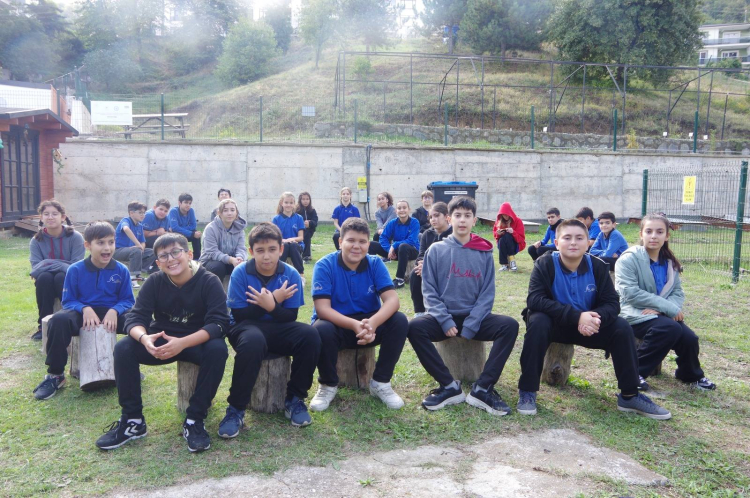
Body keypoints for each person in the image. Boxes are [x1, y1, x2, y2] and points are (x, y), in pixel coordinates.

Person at [516, 219, 671, 420]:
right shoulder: (544, 263)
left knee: (621, 327)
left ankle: (630, 395)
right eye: (567, 238)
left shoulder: (597, 266)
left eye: (579, 238)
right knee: (537, 321)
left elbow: (612, 304)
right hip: (554, 326)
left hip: (588, 328)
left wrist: (594, 319)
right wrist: (577, 316)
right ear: (556, 243)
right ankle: (527, 391)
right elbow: (535, 300)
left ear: (588, 242)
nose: (573, 242)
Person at [96, 233, 229, 452]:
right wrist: (144, 338)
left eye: (176, 252)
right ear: (158, 263)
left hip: (195, 341)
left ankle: (194, 419)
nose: (171, 259)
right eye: (164, 256)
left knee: (217, 349)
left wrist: (183, 343)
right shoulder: (155, 281)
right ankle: (133, 420)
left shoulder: (209, 280)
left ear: (189, 254)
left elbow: (219, 324)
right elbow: (135, 318)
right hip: (162, 340)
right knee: (124, 347)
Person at [408, 196, 519, 416]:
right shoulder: (435, 250)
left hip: (474, 319)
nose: (462, 220)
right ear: (449, 219)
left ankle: (483, 388)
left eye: (467, 216)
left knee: (509, 326)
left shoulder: (484, 251)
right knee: (414, 327)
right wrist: (444, 320)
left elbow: (487, 293)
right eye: (457, 215)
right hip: (444, 319)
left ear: (474, 220)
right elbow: (429, 291)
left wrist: (472, 323)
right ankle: (449, 386)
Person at [218, 223, 321, 437]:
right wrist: (273, 300)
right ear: (251, 251)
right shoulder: (240, 272)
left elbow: (291, 316)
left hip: (279, 326)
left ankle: (295, 399)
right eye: (260, 250)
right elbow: (240, 315)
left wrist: (271, 306)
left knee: (310, 334)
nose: (266, 256)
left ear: (281, 249)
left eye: (272, 249)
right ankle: (236, 409)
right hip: (245, 327)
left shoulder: (290, 274)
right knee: (254, 341)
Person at [309, 217, 408, 412]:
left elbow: (392, 301)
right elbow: (322, 309)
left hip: (368, 325)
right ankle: (328, 384)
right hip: (338, 325)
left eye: (362, 241)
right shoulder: (324, 265)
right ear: (340, 242)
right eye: (351, 240)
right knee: (320, 328)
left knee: (399, 320)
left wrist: (372, 323)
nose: (357, 246)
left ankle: (381, 382)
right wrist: (354, 325)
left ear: (368, 245)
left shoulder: (375, 263)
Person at [33, 221, 134, 400]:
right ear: (88, 245)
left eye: (111, 242)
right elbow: (68, 300)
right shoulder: (75, 269)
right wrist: (84, 308)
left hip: (112, 314)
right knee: (58, 321)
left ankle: (129, 368)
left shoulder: (121, 270)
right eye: (100, 243)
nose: (107, 248)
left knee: (137, 322)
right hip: (82, 314)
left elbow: (127, 300)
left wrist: (115, 310)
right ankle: (55, 375)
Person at [615, 213, 716, 392]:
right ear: (641, 234)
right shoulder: (628, 259)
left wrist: (664, 310)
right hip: (633, 312)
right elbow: (630, 293)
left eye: (659, 232)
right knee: (670, 328)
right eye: (649, 231)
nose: (654, 236)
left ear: (667, 236)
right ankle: (632, 373)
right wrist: (667, 308)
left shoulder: (669, 263)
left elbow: (677, 292)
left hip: (659, 314)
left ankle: (690, 375)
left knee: (689, 338)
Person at [29, 199, 85, 340]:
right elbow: (36, 268)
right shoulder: (36, 240)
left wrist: (47, 262)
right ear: (41, 217)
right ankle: (43, 326)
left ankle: (71, 321)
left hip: (69, 279)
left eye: (55, 214)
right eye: (46, 214)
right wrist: (62, 264)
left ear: (63, 217)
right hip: (45, 281)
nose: (50, 217)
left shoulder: (75, 237)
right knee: (44, 278)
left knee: (61, 276)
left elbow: (76, 267)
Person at [410, 202, 452, 318]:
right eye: (431, 217)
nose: (433, 219)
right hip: (427, 268)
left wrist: (428, 266)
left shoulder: (454, 234)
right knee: (415, 273)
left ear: (446, 216)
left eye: (437, 215)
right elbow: (421, 255)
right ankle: (419, 311)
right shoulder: (427, 234)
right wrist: (421, 264)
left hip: (447, 270)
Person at [200, 198, 247, 282]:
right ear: (219, 213)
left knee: (247, 266)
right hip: (211, 261)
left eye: (232, 210)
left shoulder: (239, 229)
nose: (229, 213)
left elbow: (241, 248)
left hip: (232, 260)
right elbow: (212, 252)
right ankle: (216, 289)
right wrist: (230, 259)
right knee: (218, 267)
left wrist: (239, 258)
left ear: (236, 213)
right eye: (225, 210)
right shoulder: (210, 228)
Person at [378, 200, 420, 289]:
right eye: (399, 208)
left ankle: (400, 280)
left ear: (409, 210)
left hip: (412, 251)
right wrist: (389, 249)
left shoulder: (414, 222)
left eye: (404, 208)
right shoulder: (393, 222)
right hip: (397, 252)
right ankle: (369, 275)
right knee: (372, 245)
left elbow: (411, 240)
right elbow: (383, 237)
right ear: (396, 211)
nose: (402, 210)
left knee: (403, 246)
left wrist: (394, 245)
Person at [114, 201, 156, 288]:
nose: (143, 215)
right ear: (131, 213)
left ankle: (138, 274)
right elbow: (126, 229)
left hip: (133, 251)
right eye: (140, 212)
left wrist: (142, 248)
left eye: (144, 213)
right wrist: (138, 245)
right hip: (118, 251)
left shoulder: (140, 226)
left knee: (153, 252)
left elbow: (143, 242)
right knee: (136, 250)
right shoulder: (126, 220)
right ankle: (132, 279)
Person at [272, 191, 306, 280]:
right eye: (286, 202)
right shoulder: (276, 219)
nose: (288, 205)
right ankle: (277, 273)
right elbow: (275, 237)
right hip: (282, 244)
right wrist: (285, 241)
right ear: (281, 203)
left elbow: (301, 237)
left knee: (293, 245)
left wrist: (291, 239)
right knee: (285, 246)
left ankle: (300, 274)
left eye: (291, 203)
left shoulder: (299, 218)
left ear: (294, 204)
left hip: (297, 245)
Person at [493, 202, 526, 272]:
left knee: (507, 236)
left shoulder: (518, 221)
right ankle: (504, 264)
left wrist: (513, 232)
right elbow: (495, 236)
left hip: (515, 245)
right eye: (503, 215)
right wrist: (498, 234)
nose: (505, 216)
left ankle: (511, 262)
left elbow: (521, 239)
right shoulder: (498, 222)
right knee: (502, 239)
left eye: (506, 214)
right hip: (502, 245)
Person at [168, 193, 201, 260]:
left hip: (180, 232)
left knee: (196, 234)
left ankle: (197, 258)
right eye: (186, 202)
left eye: (190, 203)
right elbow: (175, 228)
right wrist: (191, 233)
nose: (188, 205)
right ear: (179, 203)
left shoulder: (191, 210)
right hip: (174, 235)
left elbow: (193, 226)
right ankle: (180, 257)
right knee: (193, 234)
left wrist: (180, 228)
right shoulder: (173, 211)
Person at [296, 191, 318, 263]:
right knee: (303, 233)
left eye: (307, 199)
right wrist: (301, 224)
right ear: (300, 200)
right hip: (298, 229)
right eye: (303, 199)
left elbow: (315, 222)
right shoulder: (296, 210)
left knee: (307, 234)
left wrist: (310, 223)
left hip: (309, 230)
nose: (305, 201)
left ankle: (306, 256)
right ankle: (301, 253)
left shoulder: (312, 210)